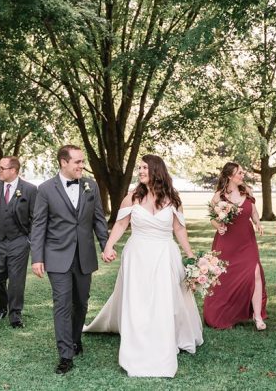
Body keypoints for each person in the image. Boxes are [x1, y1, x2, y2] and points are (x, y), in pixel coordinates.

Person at [84, 155, 203, 378]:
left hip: (164, 254)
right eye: (139, 167)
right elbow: (120, 224)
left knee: (164, 297)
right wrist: (108, 246)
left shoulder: (173, 199)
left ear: (156, 170)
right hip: (137, 254)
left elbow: (179, 230)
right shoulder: (132, 198)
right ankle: (137, 341)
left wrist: (191, 256)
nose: (140, 171)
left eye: (144, 167)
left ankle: (163, 335)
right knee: (138, 298)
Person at [30, 144, 109, 376]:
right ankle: (65, 355)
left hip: (84, 255)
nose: (81, 166)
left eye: (82, 162)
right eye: (77, 162)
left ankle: (75, 339)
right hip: (57, 256)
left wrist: (105, 245)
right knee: (62, 304)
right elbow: (38, 225)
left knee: (81, 302)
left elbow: (98, 220)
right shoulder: (45, 189)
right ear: (63, 162)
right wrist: (37, 258)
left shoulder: (90, 185)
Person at [202, 161, 268, 330]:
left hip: (246, 241)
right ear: (230, 176)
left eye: (242, 172)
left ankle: (258, 316)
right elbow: (211, 217)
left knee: (255, 273)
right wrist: (218, 226)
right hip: (226, 242)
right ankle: (225, 312)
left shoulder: (247, 191)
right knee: (224, 278)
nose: (242, 175)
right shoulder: (219, 196)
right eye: (239, 172)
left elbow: (253, 212)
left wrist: (258, 223)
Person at [0, 156, 37, 328]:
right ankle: (3, 301)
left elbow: (35, 218)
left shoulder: (30, 189)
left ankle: (15, 315)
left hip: (19, 240)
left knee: (16, 280)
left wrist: (29, 240)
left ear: (13, 170)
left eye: (1, 168)